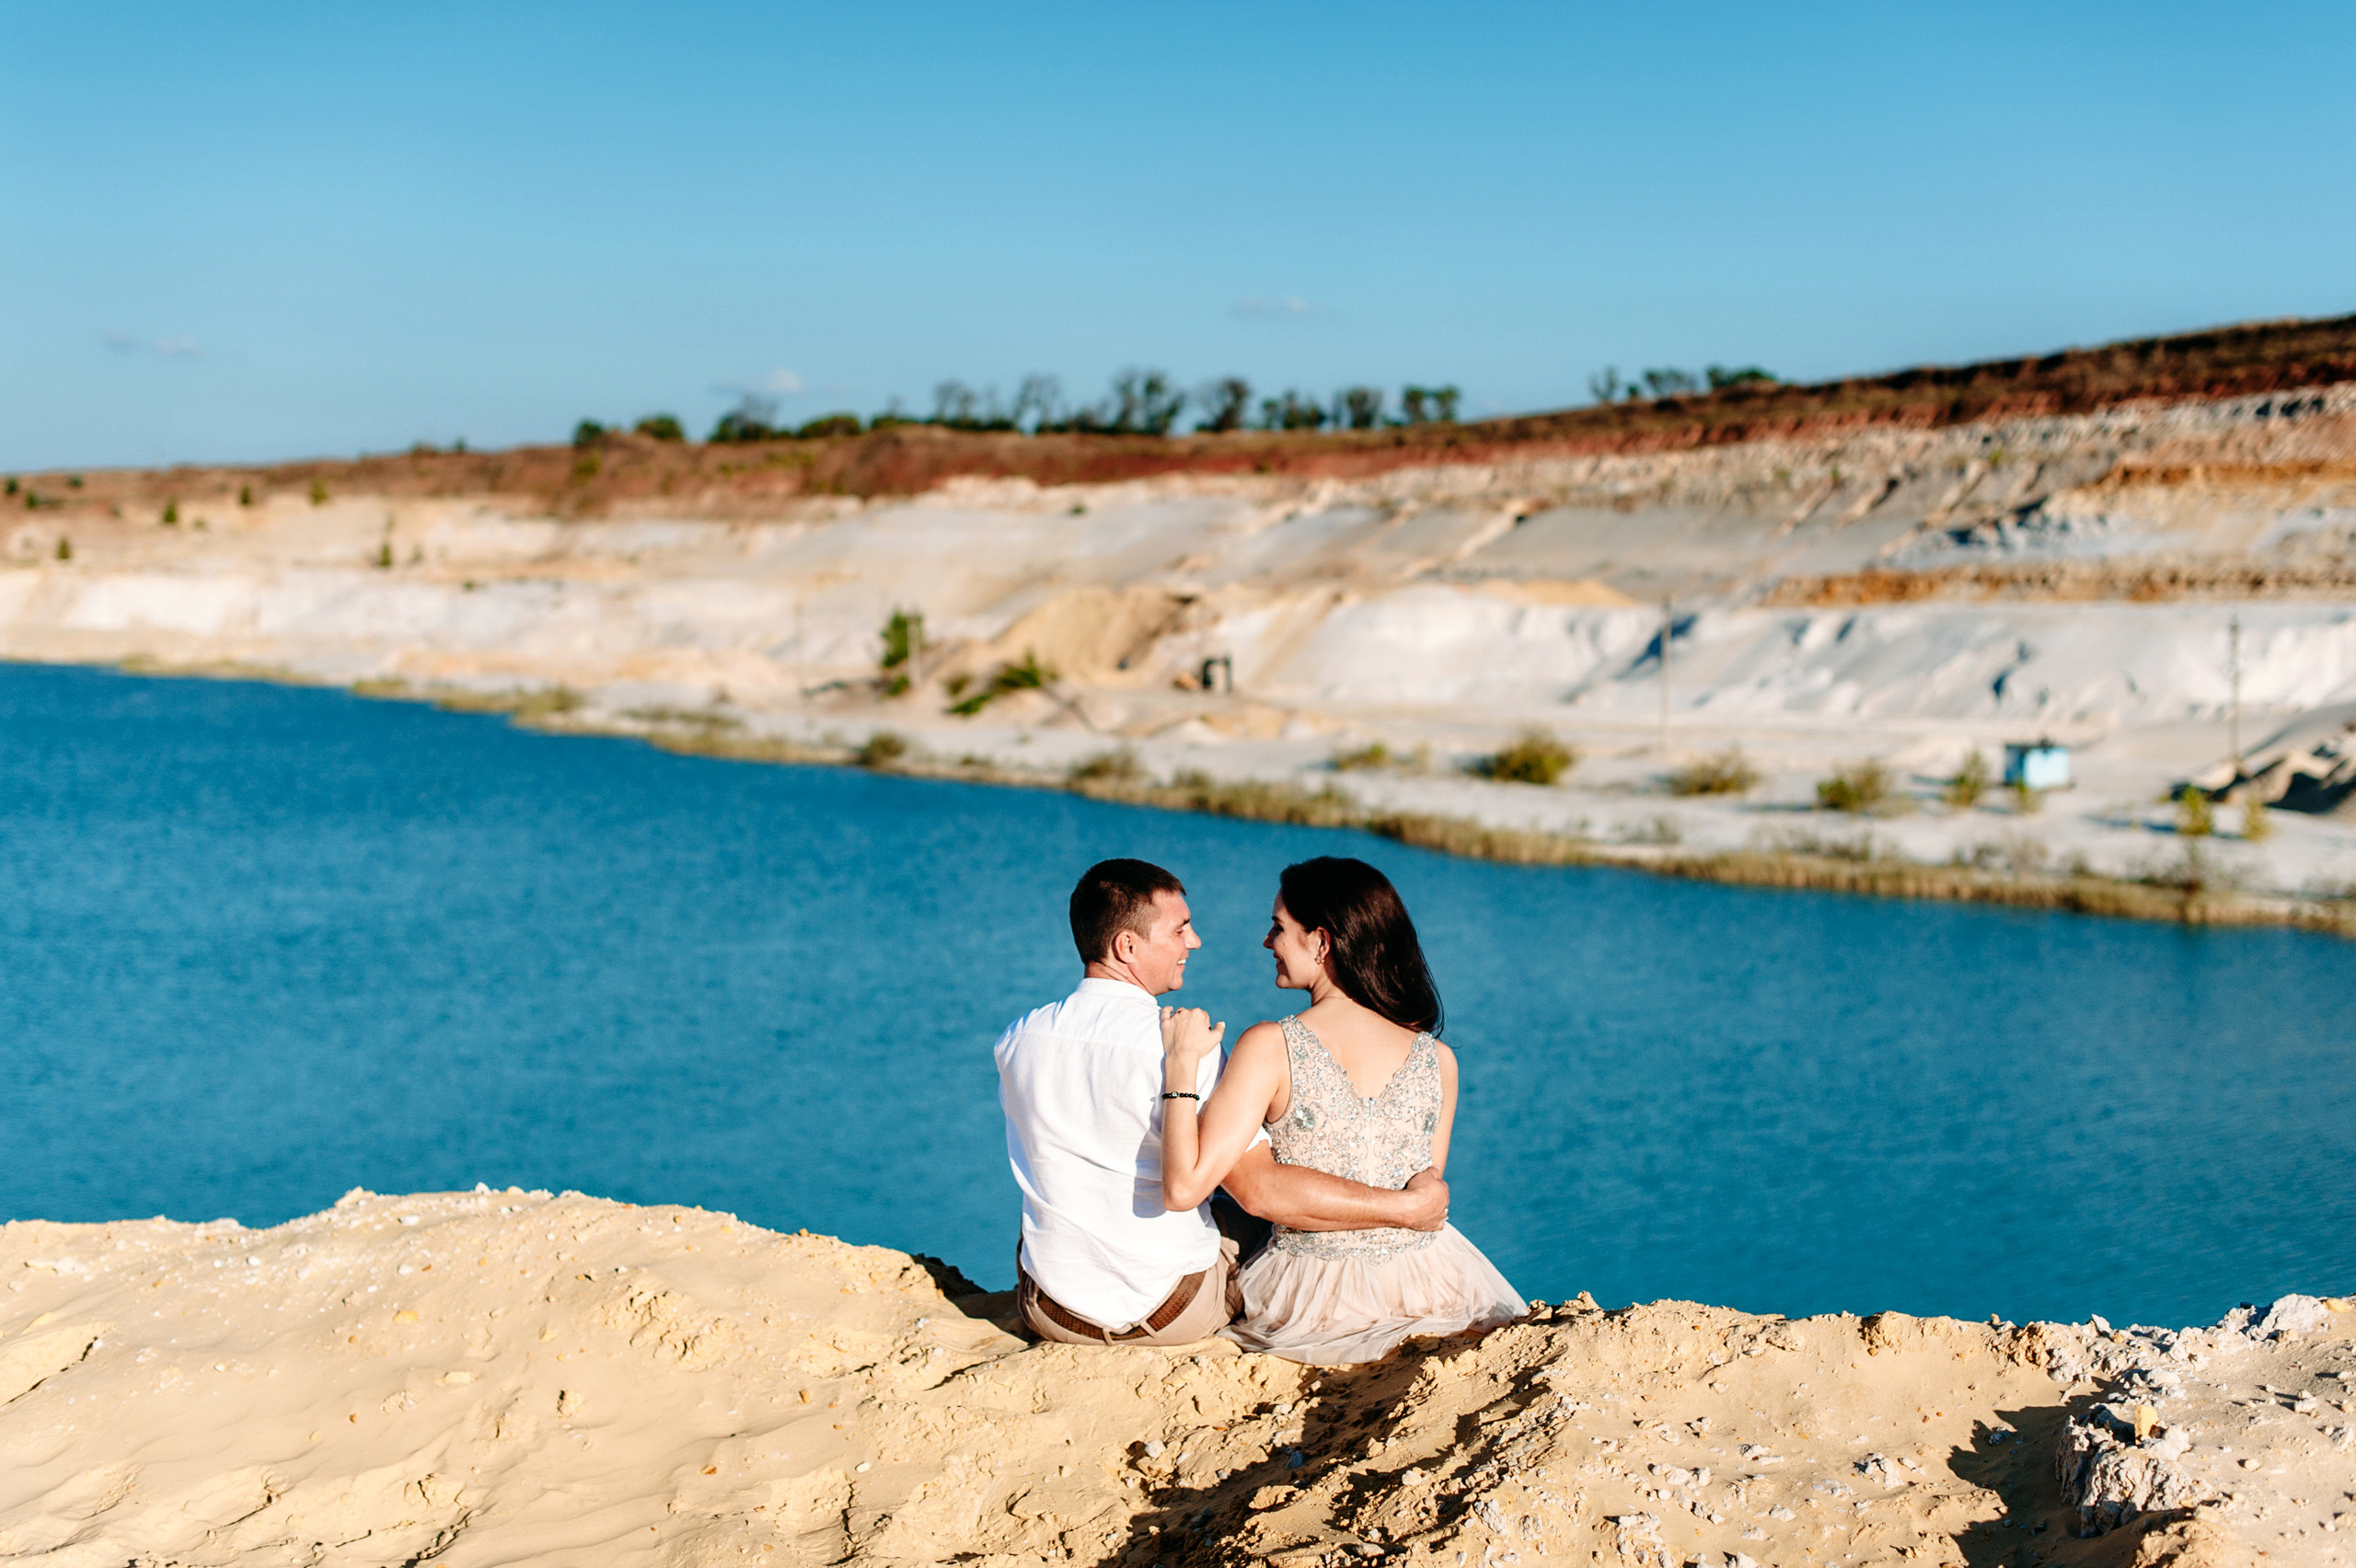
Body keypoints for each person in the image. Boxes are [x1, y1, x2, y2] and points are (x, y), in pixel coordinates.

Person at [996, 858, 1450, 1347]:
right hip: (1167, 1313)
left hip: (1050, 1310)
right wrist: (1407, 1208)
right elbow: (1257, 1190)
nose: (1194, 942)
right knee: (1248, 1204)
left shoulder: (1019, 1037)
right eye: (1181, 930)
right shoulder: (1183, 1046)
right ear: (1126, 946)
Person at [1158, 856, 1527, 1364]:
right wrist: (1401, 1211)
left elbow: (1255, 1192)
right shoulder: (1438, 1060)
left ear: (1323, 941)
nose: (1268, 943)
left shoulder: (1270, 1046)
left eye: (1278, 928)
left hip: (1314, 1292)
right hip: (1431, 1278)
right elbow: (1427, 1192)